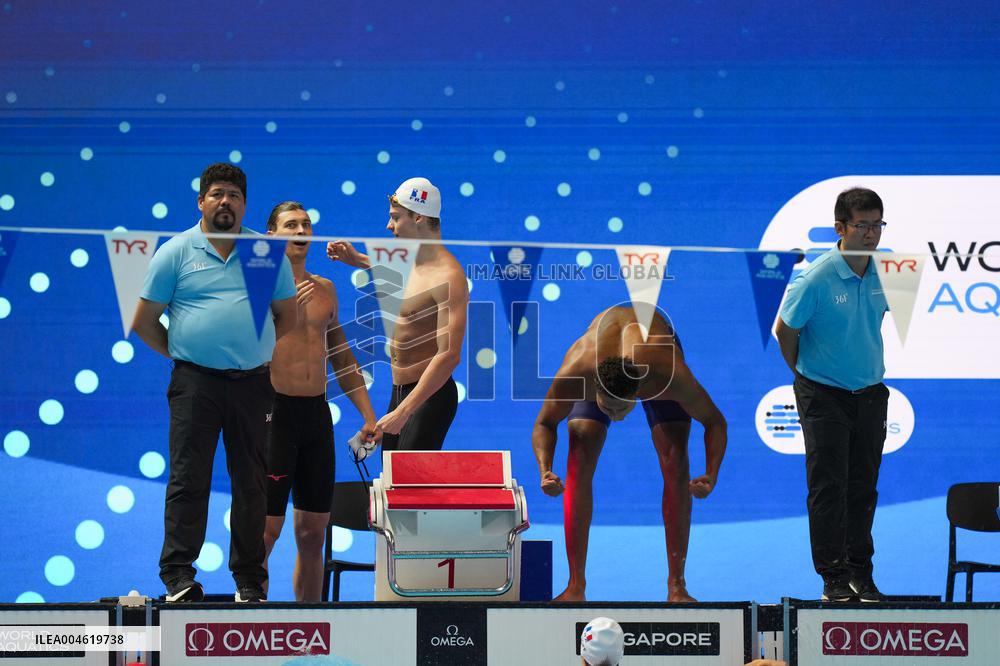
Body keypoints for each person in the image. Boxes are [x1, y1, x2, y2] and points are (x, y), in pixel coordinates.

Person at [131, 163, 298, 603]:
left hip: (252, 385)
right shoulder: (176, 251)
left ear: (245, 205)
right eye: (218, 194)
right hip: (195, 386)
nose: (226, 202)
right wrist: (187, 355)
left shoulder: (264, 252)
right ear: (201, 201)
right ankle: (178, 578)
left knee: (251, 482)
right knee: (189, 479)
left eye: (235, 196)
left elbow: (286, 317)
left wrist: (250, 350)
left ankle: (248, 579)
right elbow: (145, 321)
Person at [532, 305, 727, 602]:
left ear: (637, 392)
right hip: (598, 352)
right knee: (579, 450)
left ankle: (677, 587)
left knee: (676, 461)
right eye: (607, 407)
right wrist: (545, 469)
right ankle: (575, 586)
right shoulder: (577, 371)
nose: (616, 416)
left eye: (622, 407)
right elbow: (545, 422)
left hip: (654, 349)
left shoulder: (669, 373)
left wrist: (711, 474)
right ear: (594, 390)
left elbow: (715, 421)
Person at [775, 187, 890, 603]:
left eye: (878, 224)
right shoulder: (816, 277)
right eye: (863, 225)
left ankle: (861, 570)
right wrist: (806, 377)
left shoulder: (888, 272)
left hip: (871, 392)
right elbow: (784, 331)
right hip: (823, 393)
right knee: (828, 486)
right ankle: (833, 575)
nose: (871, 234)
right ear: (840, 228)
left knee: (864, 486)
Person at [261, 201, 379, 602]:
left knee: (313, 532)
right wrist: (283, 308)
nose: (300, 229)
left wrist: (368, 415)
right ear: (271, 236)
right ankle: (249, 611)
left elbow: (342, 357)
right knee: (266, 529)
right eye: (290, 224)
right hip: (273, 414)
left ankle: (310, 623)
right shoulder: (255, 288)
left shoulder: (325, 289)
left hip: (314, 416)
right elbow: (243, 351)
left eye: (306, 223)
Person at [326, 177, 468, 451]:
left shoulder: (449, 276)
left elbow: (449, 355)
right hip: (400, 392)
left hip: (430, 398)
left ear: (418, 217)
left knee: (409, 487)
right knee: (392, 483)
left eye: (395, 218)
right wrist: (355, 259)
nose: (388, 226)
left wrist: (404, 413)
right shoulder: (407, 260)